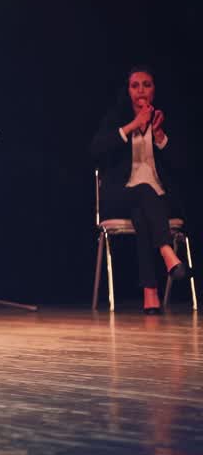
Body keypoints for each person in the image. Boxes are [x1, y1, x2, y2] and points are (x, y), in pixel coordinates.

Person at [90, 65, 191, 314]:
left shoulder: (165, 119)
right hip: (121, 196)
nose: (141, 90)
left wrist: (160, 137)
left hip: (159, 200)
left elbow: (185, 166)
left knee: (143, 211)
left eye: (146, 84)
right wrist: (133, 125)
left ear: (154, 90)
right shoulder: (117, 119)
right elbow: (96, 150)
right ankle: (167, 253)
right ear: (128, 91)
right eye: (135, 85)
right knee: (142, 192)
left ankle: (151, 294)